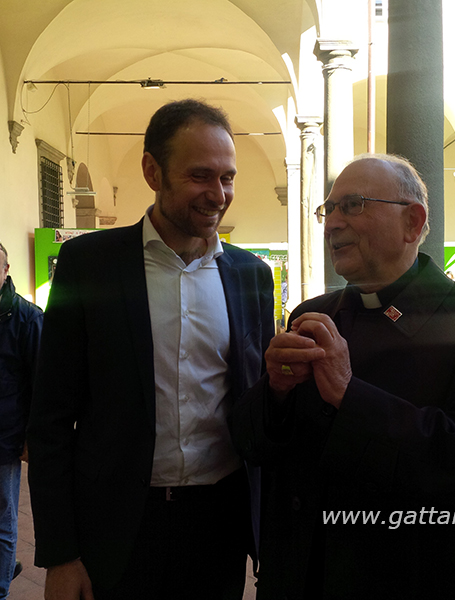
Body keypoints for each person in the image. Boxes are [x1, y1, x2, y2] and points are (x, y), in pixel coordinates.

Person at [231, 154, 455, 600]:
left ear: (413, 222)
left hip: (414, 576)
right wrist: (273, 391)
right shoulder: (312, 314)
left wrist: (350, 394)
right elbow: (255, 446)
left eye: (353, 205)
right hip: (303, 575)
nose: (332, 223)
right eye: (328, 209)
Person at [27, 99, 275, 600]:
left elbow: (257, 407)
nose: (218, 194)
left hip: (218, 524)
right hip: (116, 526)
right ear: (151, 170)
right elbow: (51, 418)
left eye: (227, 177)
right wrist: (59, 554)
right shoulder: (89, 265)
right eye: (200, 175)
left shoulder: (251, 277)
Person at [0, 243, 43, 599]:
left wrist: (31, 435)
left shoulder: (27, 318)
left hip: (4, 437)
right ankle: (5, 566)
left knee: (3, 519)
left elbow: (42, 382)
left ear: (6, 270)